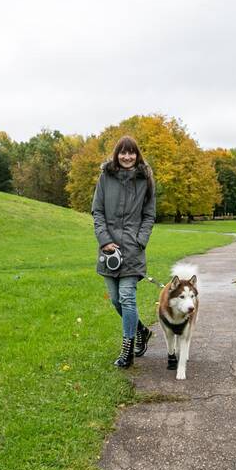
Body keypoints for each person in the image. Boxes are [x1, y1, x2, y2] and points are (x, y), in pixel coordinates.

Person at [92, 136, 156, 368]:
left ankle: (127, 348)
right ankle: (141, 330)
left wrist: (140, 240)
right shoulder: (105, 178)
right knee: (116, 301)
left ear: (137, 155)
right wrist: (104, 240)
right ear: (116, 154)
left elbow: (149, 215)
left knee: (127, 298)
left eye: (131, 153)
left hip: (133, 248)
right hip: (108, 251)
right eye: (123, 152)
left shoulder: (146, 179)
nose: (127, 157)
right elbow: (97, 211)